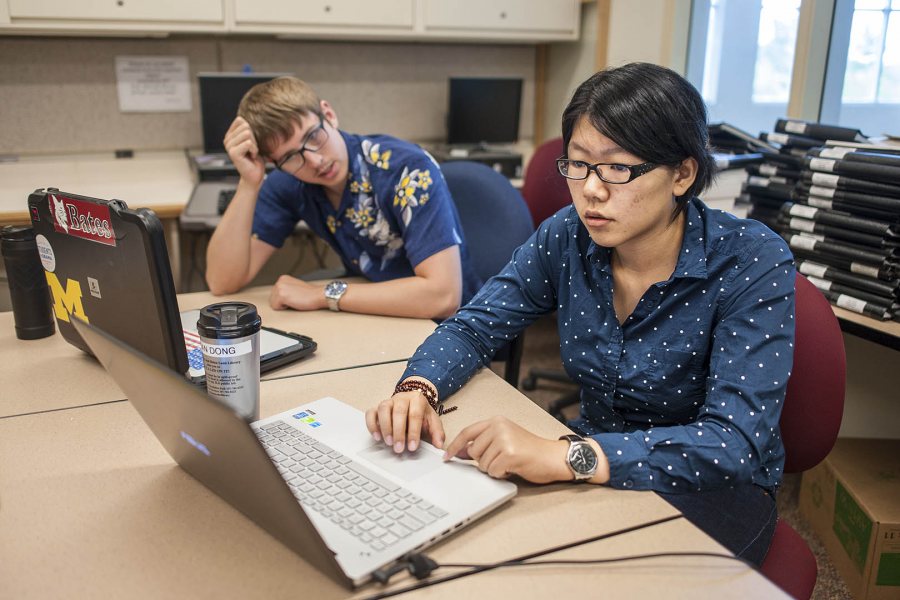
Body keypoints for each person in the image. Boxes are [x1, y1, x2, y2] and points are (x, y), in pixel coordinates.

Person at [365, 62, 795, 566]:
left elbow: (732, 443)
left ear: (683, 173)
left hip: (712, 488)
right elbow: (474, 326)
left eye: (617, 169)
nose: (591, 190)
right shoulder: (567, 234)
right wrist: (418, 387)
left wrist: (569, 456)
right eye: (577, 164)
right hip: (591, 459)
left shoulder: (751, 260)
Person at [205, 76, 482, 320]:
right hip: (381, 318)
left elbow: (443, 297)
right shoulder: (290, 183)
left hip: (451, 328)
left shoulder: (405, 169)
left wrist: (322, 294)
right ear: (274, 162)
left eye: (314, 136)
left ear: (329, 114)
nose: (313, 160)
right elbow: (221, 281)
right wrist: (248, 183)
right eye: (290, 157)